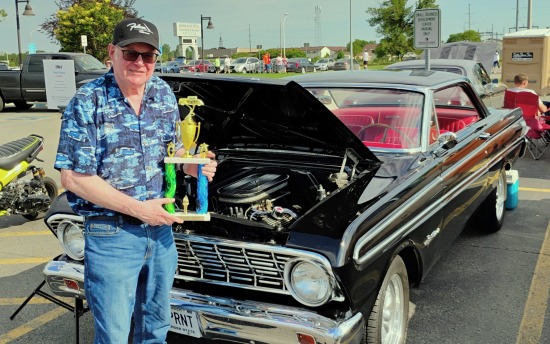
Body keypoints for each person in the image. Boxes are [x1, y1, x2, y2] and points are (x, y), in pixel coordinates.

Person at [54, 17, 217, 343]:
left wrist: (193, 166)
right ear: (111, 53)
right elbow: (73, 177)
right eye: (131, 54)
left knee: (155, 329)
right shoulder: (88, 101)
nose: (140, 63)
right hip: (111, 236)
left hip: (160, 235)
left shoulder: (163, 93)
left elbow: (174, 152)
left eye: (149, 56)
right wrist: (140, 210)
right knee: (114, 334)